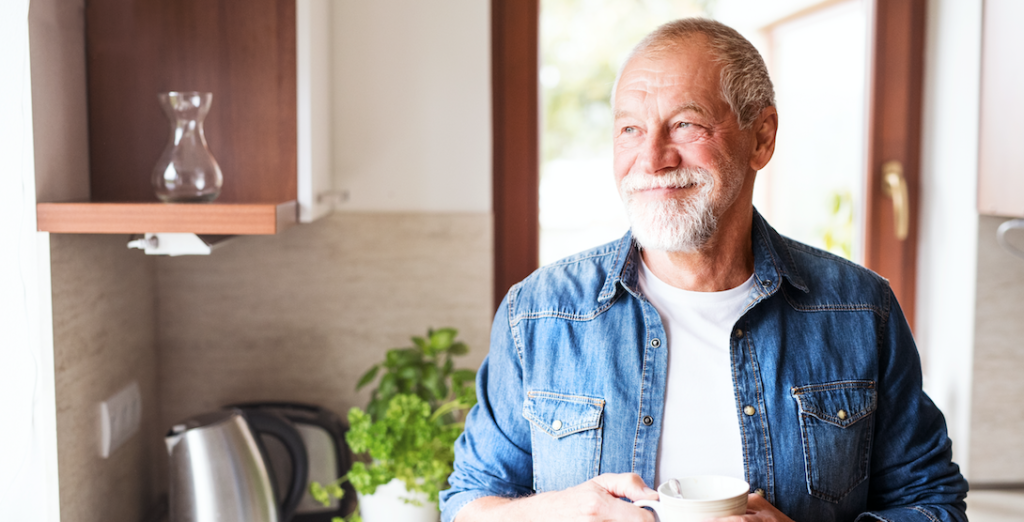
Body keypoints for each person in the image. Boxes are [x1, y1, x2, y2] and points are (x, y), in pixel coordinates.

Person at [439, 18, 968, 522]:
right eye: (629, 128)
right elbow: (468, 502)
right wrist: (550, 513)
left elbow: (933, 502)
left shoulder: (860, 309)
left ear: (761, 137)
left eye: (685, 125)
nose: (651, 159)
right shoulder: (537, 313)